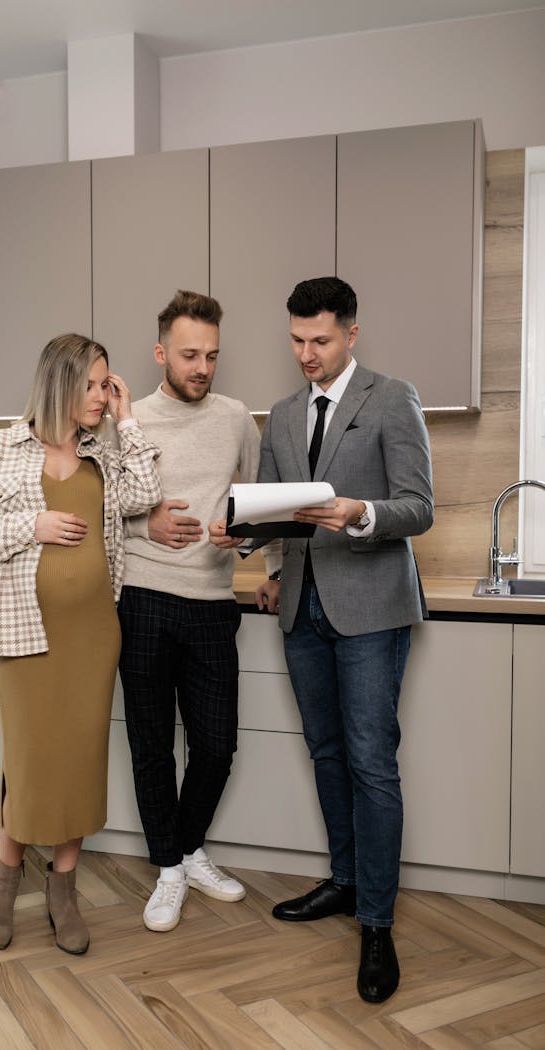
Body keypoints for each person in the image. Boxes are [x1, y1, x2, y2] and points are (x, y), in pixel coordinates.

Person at [214, 276, 433, 1003]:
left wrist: (360, 512)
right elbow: (275, 512)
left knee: (372, 761)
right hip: (301, 608)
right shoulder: (278, 416)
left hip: (370, 606)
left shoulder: (391, 398)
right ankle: (344, 881)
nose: (307, 354)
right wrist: (249, 543)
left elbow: (419, 508)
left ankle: (377, 922)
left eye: (321, 340)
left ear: (351, 335)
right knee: (328, 752)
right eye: (297, 341)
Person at [0, 333, 162, 955]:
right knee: (31, 760)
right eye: (93, 386)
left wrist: (129, 418)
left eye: (106, 385)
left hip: (94, 635)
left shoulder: (107, 450)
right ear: (60, 383)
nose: (100, 396)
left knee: (80, 757)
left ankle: (63, 887)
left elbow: (145, 496)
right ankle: (4, 879)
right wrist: (32, 525)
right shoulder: (0, 449)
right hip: (22, 635)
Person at [118, 289, 266, 933]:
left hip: (212, 605)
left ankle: (184, 846)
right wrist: (143, 523)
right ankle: (171, 868)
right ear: (160, 354)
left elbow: (262, 508)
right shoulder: (125, 421)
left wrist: (249, 538)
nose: (202, 367)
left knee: (215, 745)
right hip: (144, 601)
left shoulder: (236, 419)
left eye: (211, 355)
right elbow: (100, 513)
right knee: (151, 745)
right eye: (189, 355)